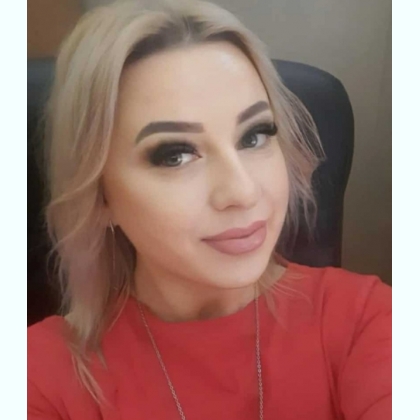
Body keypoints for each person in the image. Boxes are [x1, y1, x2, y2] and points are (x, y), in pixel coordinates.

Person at [27, 1, 391, 419]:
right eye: (175, 155)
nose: (243, 191)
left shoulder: (366, 321)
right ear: (100, 195)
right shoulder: (38, 377)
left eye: (255, 136)